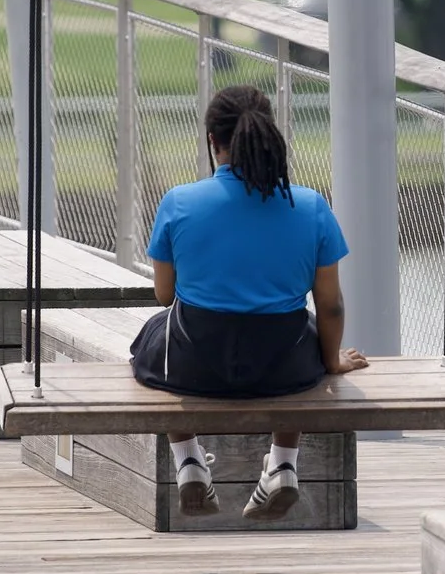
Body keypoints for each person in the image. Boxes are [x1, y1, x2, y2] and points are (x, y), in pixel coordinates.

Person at [132, 84, 368, 521]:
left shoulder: (179, 201)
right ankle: (282, 462)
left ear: (212, 141)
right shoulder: (311, 206)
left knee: (155, 332)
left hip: (193, 368)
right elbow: (331, 305)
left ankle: (187, 458)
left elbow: (165, 294)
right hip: (283, 371)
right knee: (306, 328)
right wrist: (333, 361)